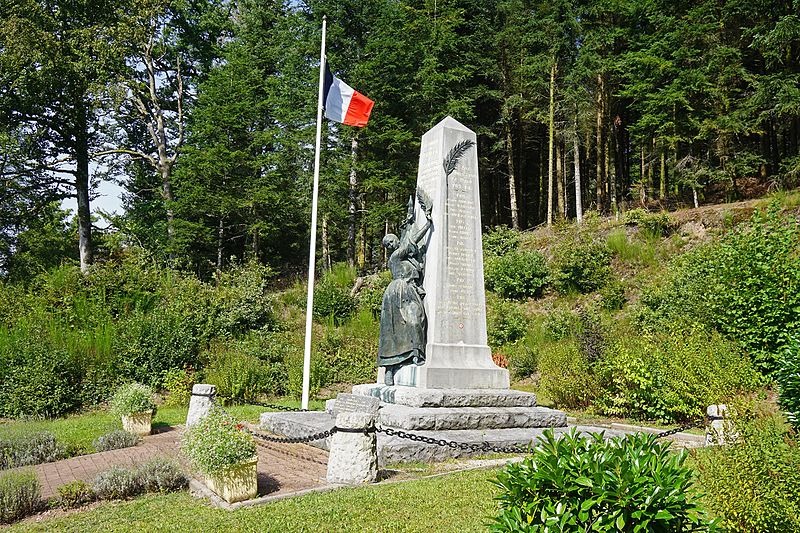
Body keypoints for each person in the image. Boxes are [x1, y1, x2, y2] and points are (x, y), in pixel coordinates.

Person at [378, 190, 432, 386]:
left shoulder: (404, 256)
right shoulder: (396, 256)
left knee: (415, 320)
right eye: (391, 242)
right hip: (400, 291)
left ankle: (414, 353)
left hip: (407, 290)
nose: (394, 242)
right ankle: (391, 368)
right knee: (402, 325)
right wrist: (428, 224)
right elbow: (414, 239)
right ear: (390, 246)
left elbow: (412, 247)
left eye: (393, 239)